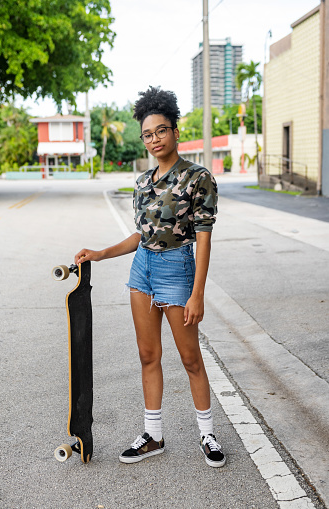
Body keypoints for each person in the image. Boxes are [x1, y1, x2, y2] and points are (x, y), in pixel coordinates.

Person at [75, 86, 226, 468]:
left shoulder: (197, 177)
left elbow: (204, 239)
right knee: (147, 355)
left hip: (178, 268)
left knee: (190, 358)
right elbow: (141, 236)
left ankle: (207, 435)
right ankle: (153, 435)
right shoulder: (142, 184)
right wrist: (100, 253)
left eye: (160, 130)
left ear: (175, 131)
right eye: (147, 134)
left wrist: (197, 294)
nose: (154, 139)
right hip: (142, 269)